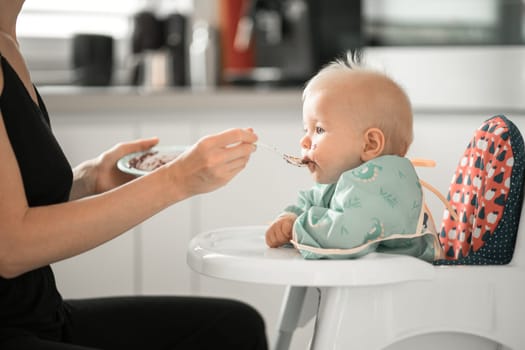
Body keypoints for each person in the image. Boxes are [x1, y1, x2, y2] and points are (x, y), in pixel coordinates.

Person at [0, 1, 268, 349]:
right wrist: (176, 180)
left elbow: (20, 200)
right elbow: (11, 247)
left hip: (41, 316)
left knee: (235, 327)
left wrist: (91, 180)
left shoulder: (7, 41)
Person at [265, 56, 444, 262]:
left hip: (400, 288)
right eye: (306, 130)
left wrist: (296, 228)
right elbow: (310, 202)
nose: (304, 140)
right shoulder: (343, 180)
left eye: (319, 129)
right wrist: (289, 218)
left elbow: (343, 237)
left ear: (370, 145)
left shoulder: (380, 184)